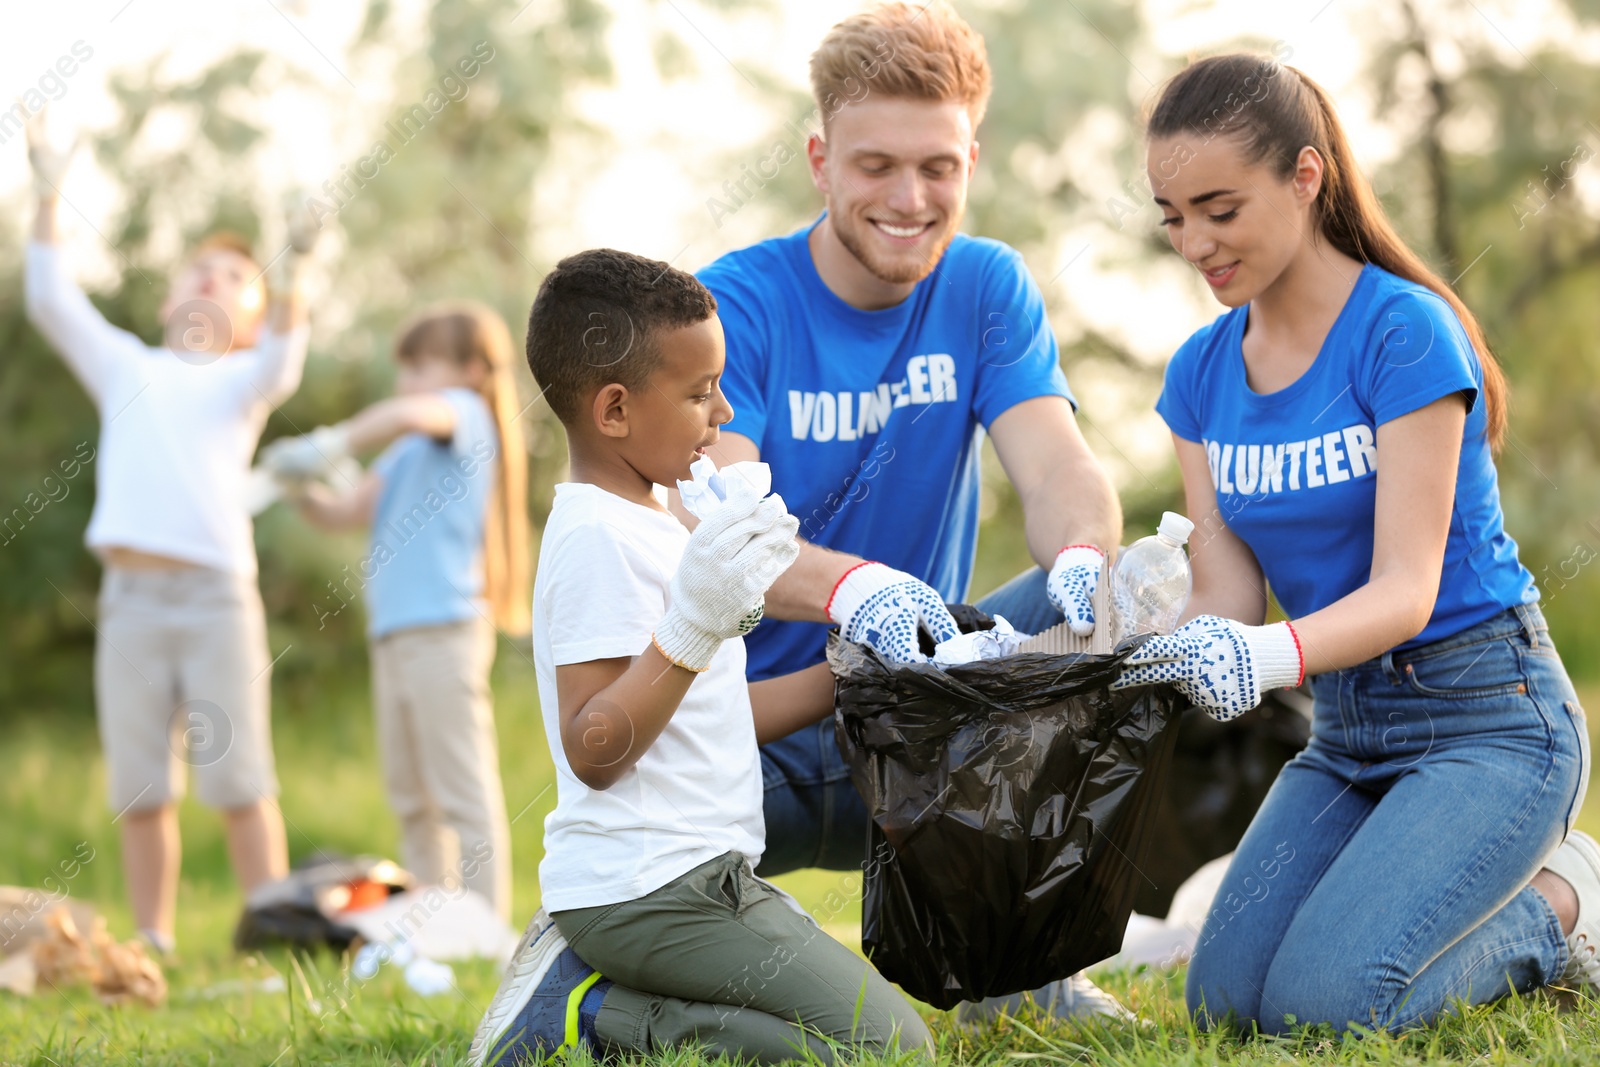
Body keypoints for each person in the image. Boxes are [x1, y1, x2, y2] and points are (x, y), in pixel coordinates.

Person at [1111, 53, 1599, 1033]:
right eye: (1172, 216)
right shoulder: (1199, 376)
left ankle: (1561, 905)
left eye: (1219, 207)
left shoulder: (1402, 334)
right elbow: (1231, 605)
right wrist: (1144, 619)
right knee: (1221, 1005)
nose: (1194, 242)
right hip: (1344, 734)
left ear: (1304, 175)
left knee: (1326, 1005)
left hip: (1487, 718)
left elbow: (1405, 589)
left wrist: (1256, 652)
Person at [685, 1, 1128, 1021]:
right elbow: (729, 532)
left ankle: (1013, 972)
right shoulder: (735, 304)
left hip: (920, 714)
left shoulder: (983, 285)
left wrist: (1082, 556)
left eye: (938, 167)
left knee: (1130, 600)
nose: (909, 196)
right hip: (751, 740)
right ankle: (591, 954)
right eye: (875, 164)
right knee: (670, 927)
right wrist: (856, 590)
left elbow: (1060, 462)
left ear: (971, 156)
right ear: (820, 159)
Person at [470, 249, 932, 1065]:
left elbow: (712, 718)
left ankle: (601, 991)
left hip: (705, 877)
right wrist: (691, 626)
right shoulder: (594, 538)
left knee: (879, 1039)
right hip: (645, 891)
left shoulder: (658, 521)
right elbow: (595, 748)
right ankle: (591, 1013)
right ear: (614, 411)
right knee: (888, 1050)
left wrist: (851, 670)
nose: (721, 410)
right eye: (697, 392)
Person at [22, 111, 316, 955]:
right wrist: (47, 193)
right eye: (203, 269)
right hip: (131, 603)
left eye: (236, 276)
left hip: (215, 598)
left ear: (251, 322)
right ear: (167, 299)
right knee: (140, 784)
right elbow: (48, 296)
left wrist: (294, 266)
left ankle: (269, 935)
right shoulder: (126, 365)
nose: (216, 279)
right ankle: (152, 935)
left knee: (239, 776)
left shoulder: (240, 383)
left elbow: (286, 360)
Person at [263, 302, 529, 921]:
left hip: (443, 631)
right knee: (412, 796)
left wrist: (333, 440)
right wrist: (299, 485)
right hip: (394, 636)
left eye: (420, 365)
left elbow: (414, 410)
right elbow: (345, 512)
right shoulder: (408, 452)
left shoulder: (465, 416)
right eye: (403, 368)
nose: (406, 380)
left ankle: (487, 926)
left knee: (461, 789)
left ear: (468, 369)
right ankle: (434, 920)